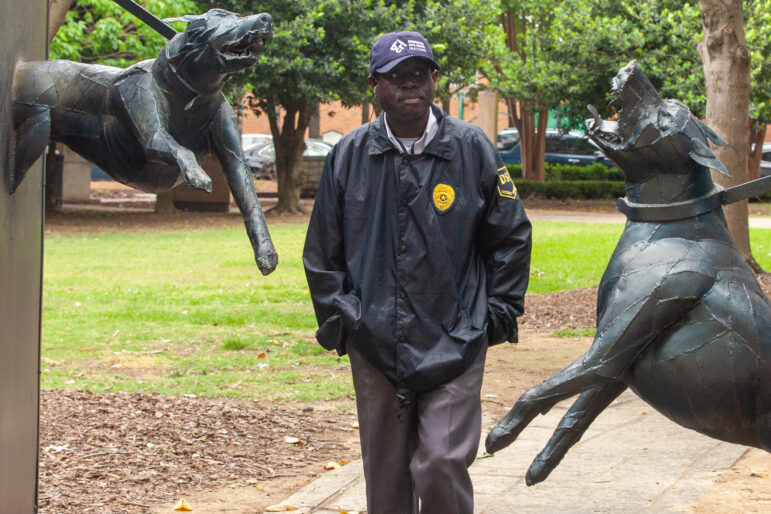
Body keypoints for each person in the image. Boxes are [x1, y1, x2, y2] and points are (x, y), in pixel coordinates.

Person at [303, 31, 532, 514]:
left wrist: (494, 315)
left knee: (441, 462)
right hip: (376, 339)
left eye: (419, 75)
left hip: (456, 336)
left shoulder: (472, 149)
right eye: (396, 77)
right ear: (375, 86)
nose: (409, 85)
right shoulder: (350, 154)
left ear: (434, 81)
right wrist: (346, 317)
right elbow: (322, 251)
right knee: (385, 483)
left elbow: (511, 235)